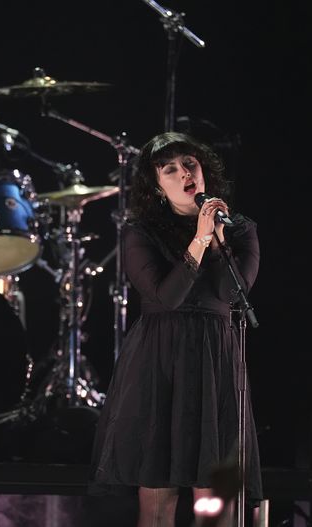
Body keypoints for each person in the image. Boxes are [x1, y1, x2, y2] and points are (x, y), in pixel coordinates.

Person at [90, 132, 262, 526]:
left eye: (190, 164)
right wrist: (200, 239)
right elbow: (168, 297)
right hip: (161, 360)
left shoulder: (240, 230)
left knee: (215, 500)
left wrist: (217, 240)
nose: (185, 173)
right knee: (158, 494)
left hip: (215, 359)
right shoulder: (141, 232)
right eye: (170, 169)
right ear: (156, 186)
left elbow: (230, 294)